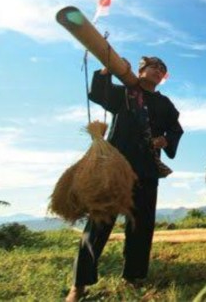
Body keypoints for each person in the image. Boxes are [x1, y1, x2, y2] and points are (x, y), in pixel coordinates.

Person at [66, 56, 183, 302]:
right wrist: (107, 70)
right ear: (141, 71)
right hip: (115, 170)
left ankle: (133, 276)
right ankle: (79, 284)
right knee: (98, 225)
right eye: (154, 66)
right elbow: (99, 93)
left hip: (148, 171)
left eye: (162, 69)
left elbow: (176, 129)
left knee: (141, 226)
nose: (158, 71)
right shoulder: (126, 94)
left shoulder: (165, 104)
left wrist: (166, 140)